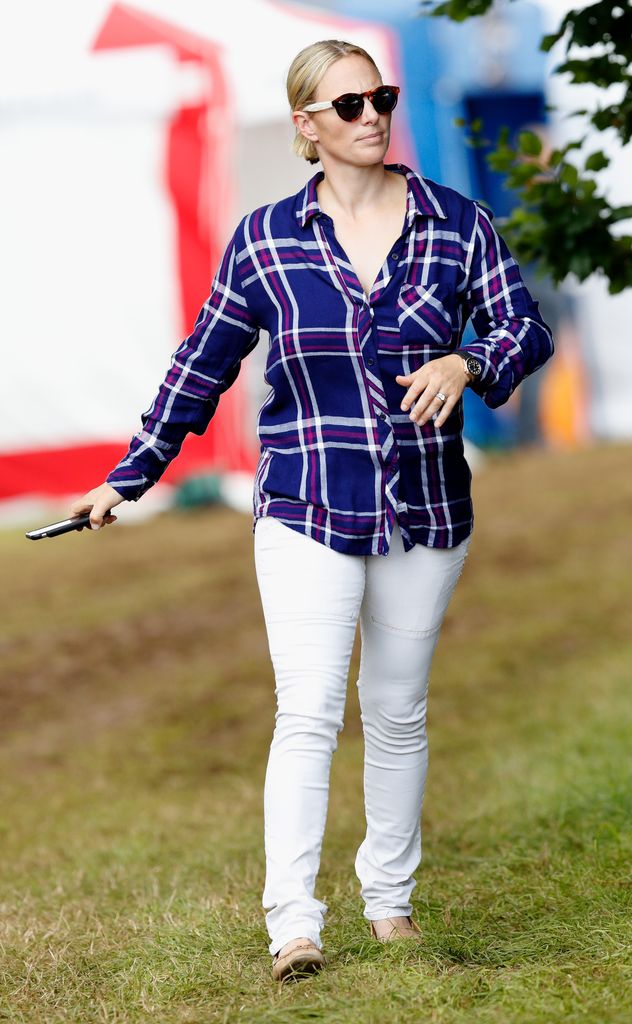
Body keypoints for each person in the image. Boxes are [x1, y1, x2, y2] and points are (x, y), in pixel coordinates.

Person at [69, 39, 554, 983]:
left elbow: (521, 325)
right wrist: (132, 475)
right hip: (304, 499)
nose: (371, 115)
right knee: (308, 711)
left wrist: (469, 362)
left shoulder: (458, 224)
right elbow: (202, 362)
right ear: (306, 126)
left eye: (381, 98)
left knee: (399, 710)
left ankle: (391, 903)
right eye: (348, 105)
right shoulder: (264, 238)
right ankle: (294, 923)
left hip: (424, 505)